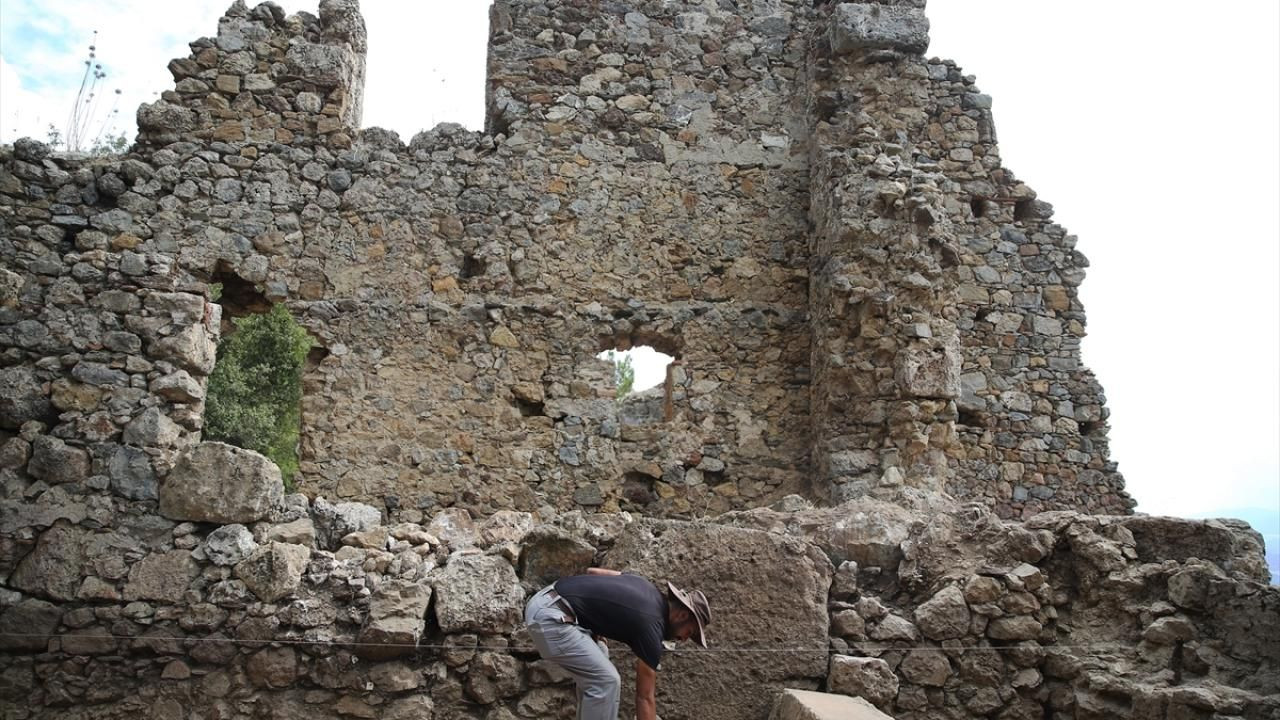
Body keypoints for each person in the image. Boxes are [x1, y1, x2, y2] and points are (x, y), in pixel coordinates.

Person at [523, 567, 711, 720]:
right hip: (551, 619)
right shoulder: (652, 626)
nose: (685, 639)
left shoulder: (644, 585)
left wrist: (596, 624)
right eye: (690, 632)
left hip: (548, 601)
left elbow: (593, 573)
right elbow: (644, 697)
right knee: (606, 680)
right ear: (682, 615)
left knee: (601, 656)